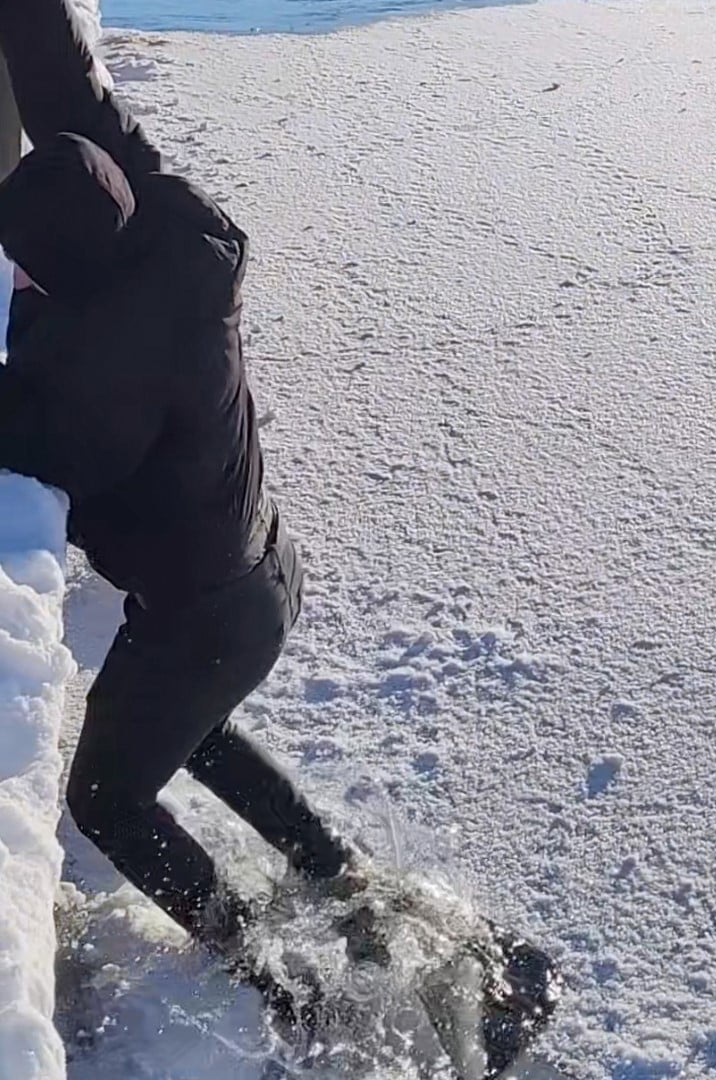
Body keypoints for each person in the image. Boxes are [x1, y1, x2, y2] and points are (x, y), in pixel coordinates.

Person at [0, 0, 365, 970]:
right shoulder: (163, 221)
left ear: (59, 278)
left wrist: (27, 337)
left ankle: (267, 971)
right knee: (184, 728)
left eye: (24, 271)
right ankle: (341, 876)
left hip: (204, 615)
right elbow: (79, 109)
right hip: (258, 571)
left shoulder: (103, 378)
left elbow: (31, 436)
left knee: (104, 800)